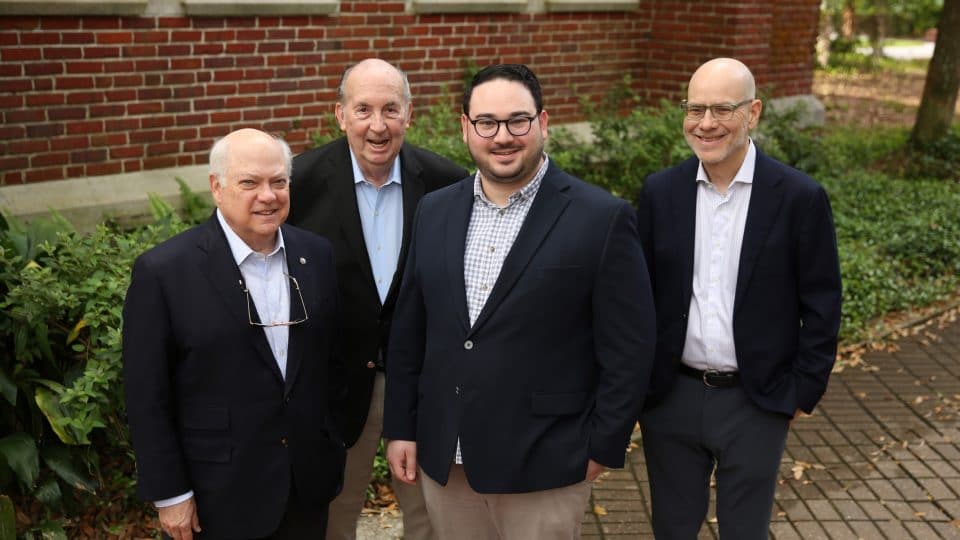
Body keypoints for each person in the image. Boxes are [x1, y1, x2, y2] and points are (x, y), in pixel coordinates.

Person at [382, 63, 656, 539]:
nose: (502, 136)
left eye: (517, 121)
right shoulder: (435, 210)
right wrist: (401, 427)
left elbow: (630, 347)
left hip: (546, 463)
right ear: (466, 128)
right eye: (486, 122)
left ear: (543, 123)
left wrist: (601, 444)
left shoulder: (601, 218)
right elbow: (411, 331)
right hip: (449, 459)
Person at [636, 57, 843, 539]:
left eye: (721, 109)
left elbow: (822, 301)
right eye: (695, 108)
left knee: (745, 531)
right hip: (672, 396)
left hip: (757, 398)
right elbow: (637, 295)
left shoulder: (798, 197)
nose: (705, 123)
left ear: (753, 113)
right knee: (671, 527)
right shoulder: (660, 193)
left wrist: (802, 390)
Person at [123, 128, 346, 540]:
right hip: (218, 496)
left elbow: (328, 362)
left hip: (306, 485)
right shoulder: (165, 272)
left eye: (278, 181)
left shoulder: (316, 255)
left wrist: (329, 443)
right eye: (250, 182)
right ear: (217, 187)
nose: (268, 195)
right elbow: (146, 395)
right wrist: (171, 493)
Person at [287, 58, 467, 540]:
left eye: (391, 109)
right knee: (333, 516)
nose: (378, 125)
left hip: (425, 386)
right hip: (337, 386)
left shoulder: (449, 183)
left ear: (410, 115)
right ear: (341, 115)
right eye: (363, 109)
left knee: (431, 516)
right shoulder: (296, 185)